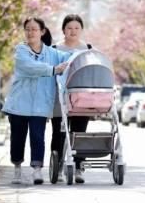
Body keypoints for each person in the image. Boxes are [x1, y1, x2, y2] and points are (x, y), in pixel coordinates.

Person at [2, 17, 69, 185]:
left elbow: (71, 58)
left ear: (42, 32)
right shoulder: (21, 50)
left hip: (40, 105)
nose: (30, 32)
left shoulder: (53, 54)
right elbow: (29, 67)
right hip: (19, 104)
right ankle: (17, 169)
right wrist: (53, 70)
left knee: (38, 138)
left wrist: (82, 49)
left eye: (34, 29)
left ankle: (37, 170)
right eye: (28, 29)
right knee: (18, 139)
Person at [51, 14, 92, 184]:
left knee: (79, 133)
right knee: (58, 134)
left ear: (81, 30)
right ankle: (58, 167)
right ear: (63, 30)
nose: (73, 31)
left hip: (81, 98)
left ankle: (78, 167)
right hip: (59, 99)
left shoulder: (88, 49)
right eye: (69, 28)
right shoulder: (54, 49)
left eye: (76, 28)